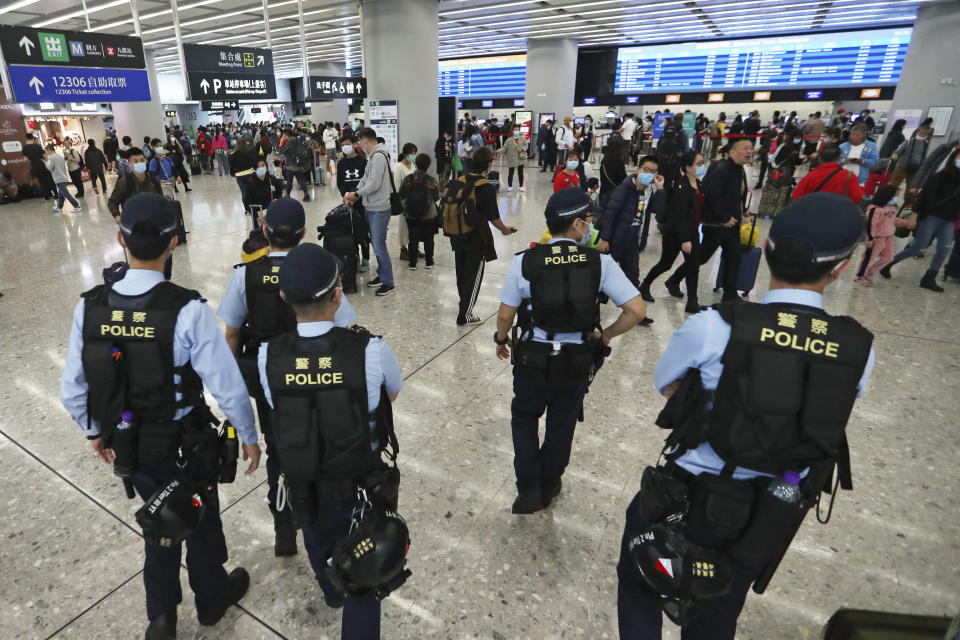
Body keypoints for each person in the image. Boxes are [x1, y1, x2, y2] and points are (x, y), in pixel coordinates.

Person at [616, 192, 875, 640]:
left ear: (767, 251)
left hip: (685, 497)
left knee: (641, 585)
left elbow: (666, 383)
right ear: (841, 268)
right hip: (769, 509)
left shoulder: (715, 326)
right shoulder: (857, 349)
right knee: (718, 611)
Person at [60, 193, 260, 640]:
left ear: (120, 238)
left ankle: (162, 618)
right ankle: (211, 600)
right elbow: (226, 385)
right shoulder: (186, 309)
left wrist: (95, 431)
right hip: (186, 444)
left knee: (158, 519)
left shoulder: (90, 305)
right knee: (201, 521)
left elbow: (73, 389)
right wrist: (248, 436)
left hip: (130, 444)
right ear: (174, 243)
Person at [255, 242, 402, 640]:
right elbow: (392, 393)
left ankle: (331, 588)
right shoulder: (370, 349)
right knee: (364, 581)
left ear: (285, 298)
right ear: (338, 295)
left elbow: (277, 405)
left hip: (306, 488)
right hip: (361, 489)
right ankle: (351, 593)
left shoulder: (268, 355)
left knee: (317, 543)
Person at [217, 199, 357, 557]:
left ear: (264, 231)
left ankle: (284, 527)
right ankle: (325, 519)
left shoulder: (245, 275)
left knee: (281, 449)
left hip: (270, 383)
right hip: (319, 378)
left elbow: (232, 335)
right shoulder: (320, 271)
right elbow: (346, 328)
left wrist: (232, 388)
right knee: (323, 440)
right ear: (304, 233)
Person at [495, 187, 647, 514]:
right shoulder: (600, 262)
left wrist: (500, 340)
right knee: (562, 425)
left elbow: (506, 314)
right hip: (576, 359)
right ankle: (550, 484)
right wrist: (605, 335)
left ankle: (528, 490)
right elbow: (636, 310)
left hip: (533, 356)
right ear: (577, 225)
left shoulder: (525, 261)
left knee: (523, 418)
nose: (592, 226)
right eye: (589, 220)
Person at [665, 137, 753, 304]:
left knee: (734, 257)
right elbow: (712, 196)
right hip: (717, 225)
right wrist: (724, 217)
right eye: (745, 148)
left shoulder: (740, 170)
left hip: (733, 225)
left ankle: (730, 293)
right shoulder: (722, 170)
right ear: (732, 152)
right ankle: (674, 280)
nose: (749, 151)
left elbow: (736, 195)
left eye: (750, 148)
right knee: (700, 258)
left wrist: (743, 209)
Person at [448, 146, 517, 325]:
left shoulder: (461, 180)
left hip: (458, 234)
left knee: (462, 273)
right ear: (488, 164)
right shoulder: (485, 187)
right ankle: (465, 314)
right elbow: (494, 218)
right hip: (475, 238)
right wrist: (504, 229)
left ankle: (463, 304)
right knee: (474, 276)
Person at [880, 148, 960, 292]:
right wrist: (914, 216)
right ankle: (888, 263)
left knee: (944, 248)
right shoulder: (940, 176)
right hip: (930, 216)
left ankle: (929, 278)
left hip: (949, 219)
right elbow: (923, 197)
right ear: (954, 158)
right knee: (919, 247)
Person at [640, 151, 705, 314]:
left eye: (702, 163)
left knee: (693, 265)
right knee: (666, 263)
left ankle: (692, 301)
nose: (701, 166)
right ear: (688, 167)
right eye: (698, 163)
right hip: (676, 233)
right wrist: (685, 239)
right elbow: (679, 215)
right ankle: (645, 284)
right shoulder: (681, 187)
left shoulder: (698, 183)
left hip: (692, 231)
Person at [599, 157, 665, 295]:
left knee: (633, 277)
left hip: (632, 241)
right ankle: (594, 310)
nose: (649, 174)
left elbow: (658, 210)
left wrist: (660, 189)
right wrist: (605, 239)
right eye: (646, 169)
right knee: (602, 277)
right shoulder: (623, 189)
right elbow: (610, 215)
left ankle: (636, 314)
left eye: (653, 171)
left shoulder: (648, 191)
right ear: (638, 170)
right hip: (615, 241)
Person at [344, 127, 396, 296]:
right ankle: (382, 276)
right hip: (372, 206)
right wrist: (353, 194)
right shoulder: (373, 156)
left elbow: (374, 184)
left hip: (379, 208)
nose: (361, 146)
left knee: (379, 246)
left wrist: (356, 194)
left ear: (365, 141)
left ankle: (388, 282)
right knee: (376, 243)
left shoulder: (379, 157)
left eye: (361, 143)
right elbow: (366, 178)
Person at [853, 185, 916, 286]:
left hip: (888, 236)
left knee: (888, 258)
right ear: (887, 196)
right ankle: (859, 276)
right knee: (868, 258)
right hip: (876, 238)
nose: (897, 198)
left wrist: (905, 223)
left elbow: (893, 220)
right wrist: (870, 238)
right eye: (895, 196)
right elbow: (871, 225)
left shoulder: (891, 208)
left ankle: (868, 272)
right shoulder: (875, 210)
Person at [336, 134, 371, 274]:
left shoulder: (363, 162)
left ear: (354, 145)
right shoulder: (341, 163)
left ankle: (366, 258)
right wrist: (346, 196)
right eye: (343, 145)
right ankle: (354, 257)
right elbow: (340, 184)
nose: (345, 147)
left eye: (347, 144)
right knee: (350, 232)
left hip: (362, 202)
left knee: (363, 232)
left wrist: (356, 195)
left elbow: (367, 182)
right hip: (347, 203)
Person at [399, 153, 440, 270]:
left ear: (415, 163)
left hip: (411, 213)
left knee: (413, 238)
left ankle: (412, 263)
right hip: (428, 214)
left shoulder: (408, 178)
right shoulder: (431, 180)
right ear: (428, 165)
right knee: (428, 238)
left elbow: (401, 193)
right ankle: (429, 262)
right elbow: (436, 197)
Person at [792, 145, 863, 204]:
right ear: (839, 158)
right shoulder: (849, 176)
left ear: (819, 159)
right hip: (838, 215)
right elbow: (857, 197)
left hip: (813, 214)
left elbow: (797, 196)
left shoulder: (810, 176)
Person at [108, 148, 163, 222]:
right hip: (133, 223)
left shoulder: (153, 179)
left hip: (153, 221)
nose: (140, 163)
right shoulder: (124, 182)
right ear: (130, 163)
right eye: (136, 161)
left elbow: (161, 198)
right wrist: (117, 216)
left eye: (142, 160)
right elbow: (112, 202)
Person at [888, 125, 932, 207]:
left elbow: (923, 156)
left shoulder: (925, 144)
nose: (923, 135)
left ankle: (908, 204)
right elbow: (897, 152)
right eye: (922, 133)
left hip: (915, 168)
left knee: (911, 186)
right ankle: (891, 202)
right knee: (894, 184)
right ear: (917, 132)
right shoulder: (907, 142)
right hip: (901, 166)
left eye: (925, 134)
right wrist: (894, 156)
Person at [394, 143, 418, 262]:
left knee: (414, 226)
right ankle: (403, 249)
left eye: (415, 153)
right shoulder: (399, 167)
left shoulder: (413, 165)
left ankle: (414, 247)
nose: (413, 156)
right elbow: (397, 186)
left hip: (415, 200)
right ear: (405, 154)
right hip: (404, 201)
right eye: (411, 153)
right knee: (404, 225)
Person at [44, 143, 82, 212]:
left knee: (65, 194)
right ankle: (59, 207)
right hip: (64, 177)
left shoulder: (51, 158)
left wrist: (45, 162)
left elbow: (49, 168)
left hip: (58, 179)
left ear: (49, 150)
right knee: (61, 194)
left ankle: (76, 205)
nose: (46, 153)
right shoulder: (60, 156)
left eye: (46, 151)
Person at [279, 128, 312, 202]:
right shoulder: (297, 140)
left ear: (286, 135)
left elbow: (281, 151)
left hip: (291, 165)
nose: (283, 137)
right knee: (301, 181)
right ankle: (306, 195)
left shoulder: (290, 142)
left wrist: (281, 142)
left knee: (289, 181)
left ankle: (287, 195)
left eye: (283, 135)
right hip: (299, 164)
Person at [23, 133, 55, 200]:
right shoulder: (38, 146)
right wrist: (47, 162)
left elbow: (25, 159)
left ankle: (46, 197)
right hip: (42, 164)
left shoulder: (25, 147)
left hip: (34, 166)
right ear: (33, 138)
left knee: (41, 182)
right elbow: (45, 156)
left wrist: (30, 158)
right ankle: (54, 194)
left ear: (26, 138)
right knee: (48, 180)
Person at [230, 136, 259, 208]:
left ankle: (247, 209)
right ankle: (253, 207)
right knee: (252, 191)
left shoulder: (232, 154)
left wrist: (233, 174)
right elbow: (253, 163)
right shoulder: (249, 152)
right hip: (249, 174)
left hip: (239, 175)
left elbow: (231, 165)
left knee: (244, 192)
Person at [500, 125, 529, 192]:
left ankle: (521, 186)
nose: (517, 131)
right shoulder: (508, 140)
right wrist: (499, 151)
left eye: (518, 130)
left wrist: (522, 149)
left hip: (520, 158)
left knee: (520, 173)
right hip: (511, 158)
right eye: (515, 130)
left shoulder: (523, 138)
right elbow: (504, 148)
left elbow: (526, 145)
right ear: (512, 131)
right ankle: (510, 186)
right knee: (511, 173)